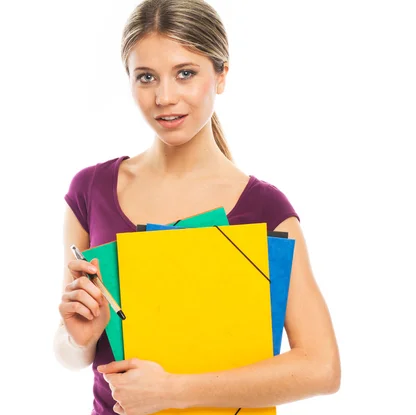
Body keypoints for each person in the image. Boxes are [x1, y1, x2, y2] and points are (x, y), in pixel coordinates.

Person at [53, 0, 341, 414]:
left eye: (185, 73)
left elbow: (322, 367)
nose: (164, 97)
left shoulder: (264, 207)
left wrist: (172, 392)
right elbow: (70, 353)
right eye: (146, 77)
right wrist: (77, 336)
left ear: (221, 75)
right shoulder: (90, 191)